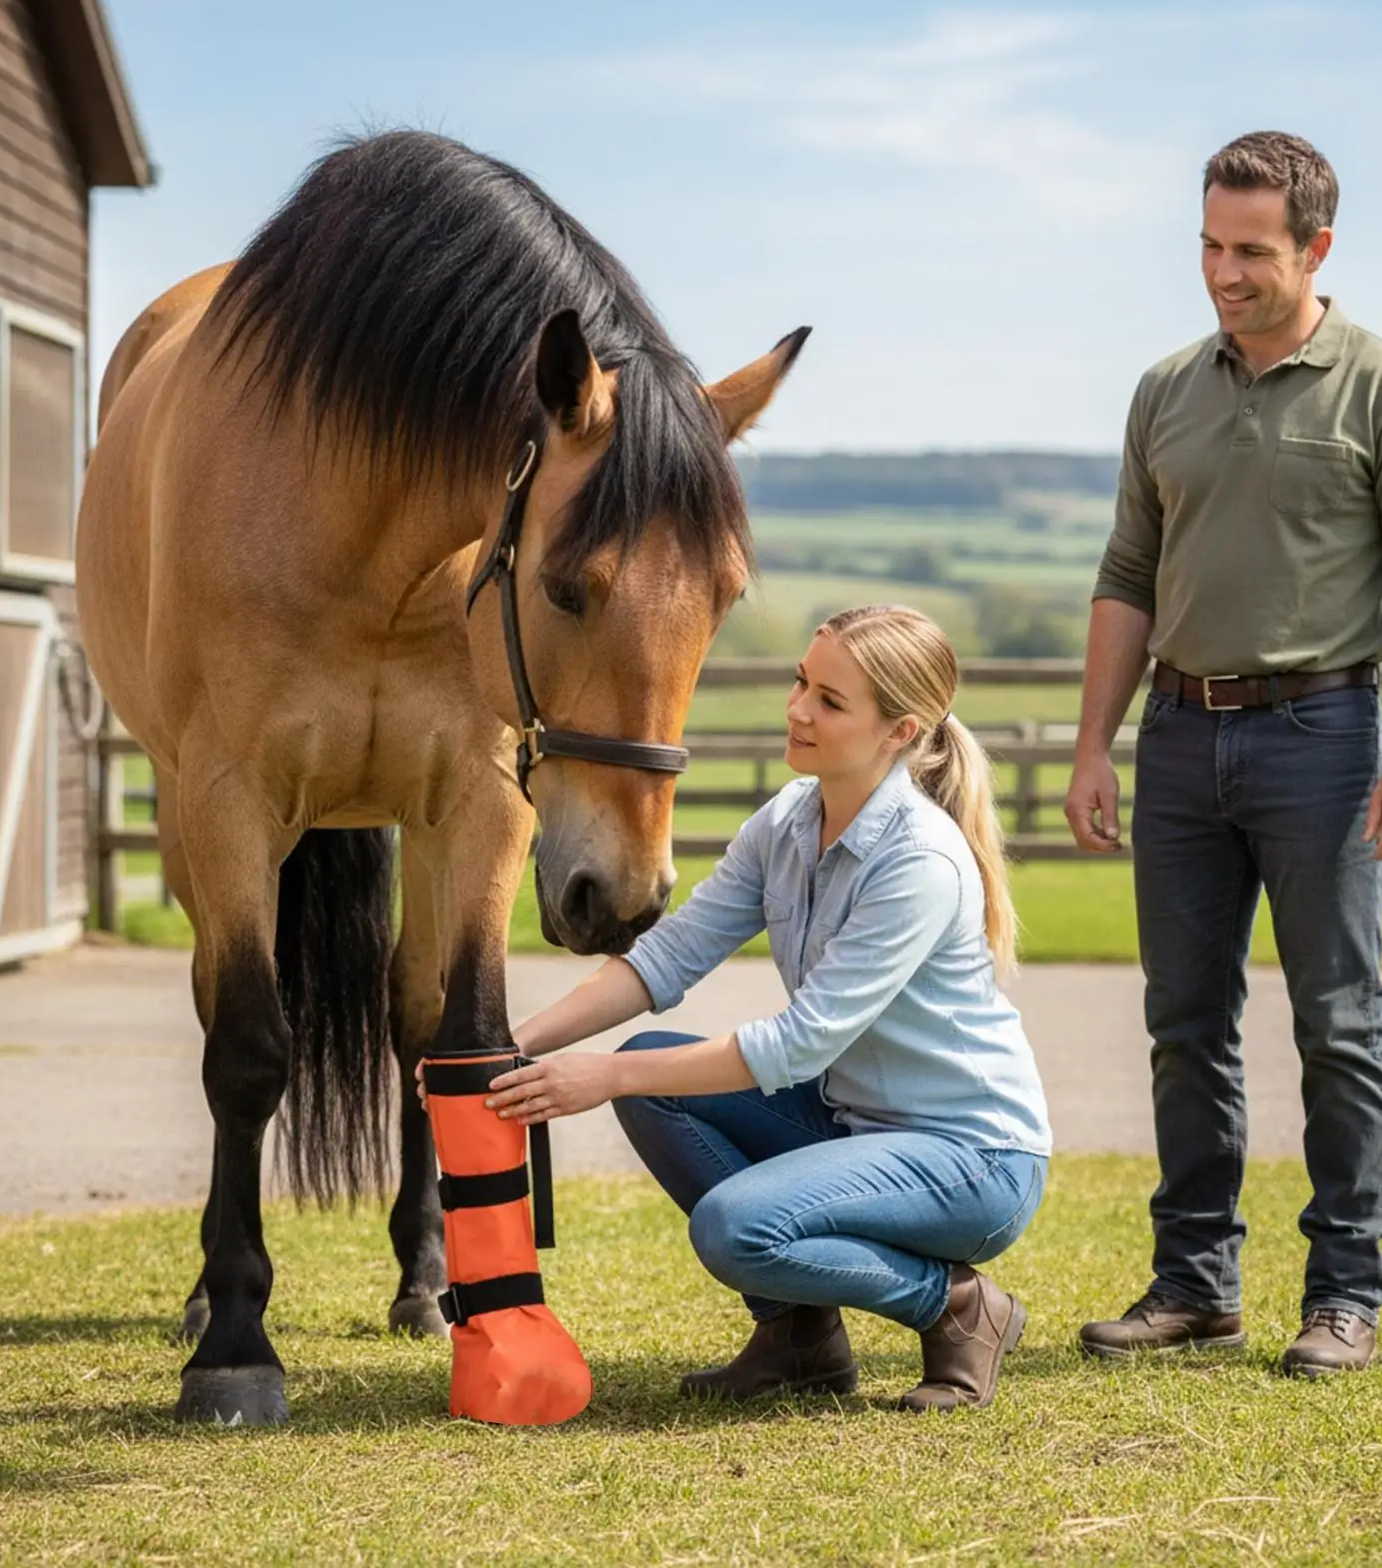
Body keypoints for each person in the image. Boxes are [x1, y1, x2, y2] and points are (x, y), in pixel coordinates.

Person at [1064, 131, 1382, 1376]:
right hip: (1179, 737)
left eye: (1250, 250)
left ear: (1315, 249)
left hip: (1323, 740)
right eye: (1207, 244)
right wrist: (1095, 742)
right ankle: (1194, 1283)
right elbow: (1127, 573)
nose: (1222, 272)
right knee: (1183, 1020)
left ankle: (1342, 1291)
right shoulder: (1162, 390)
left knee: (1337, 1022)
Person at [424, 605, 1050, 1412]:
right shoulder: (788, 820)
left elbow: (798, 1041)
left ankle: (961, 1307)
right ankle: (800, 1340)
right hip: (854, 1123)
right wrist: (500, 1048)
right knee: (655, 1079)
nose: (796, 708)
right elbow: (666, 957)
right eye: (800, 681)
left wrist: (603, 1073)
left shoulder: (919, 862)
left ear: (900, 731)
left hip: (973, 1160)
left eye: (830, 700)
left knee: (735, 1226)